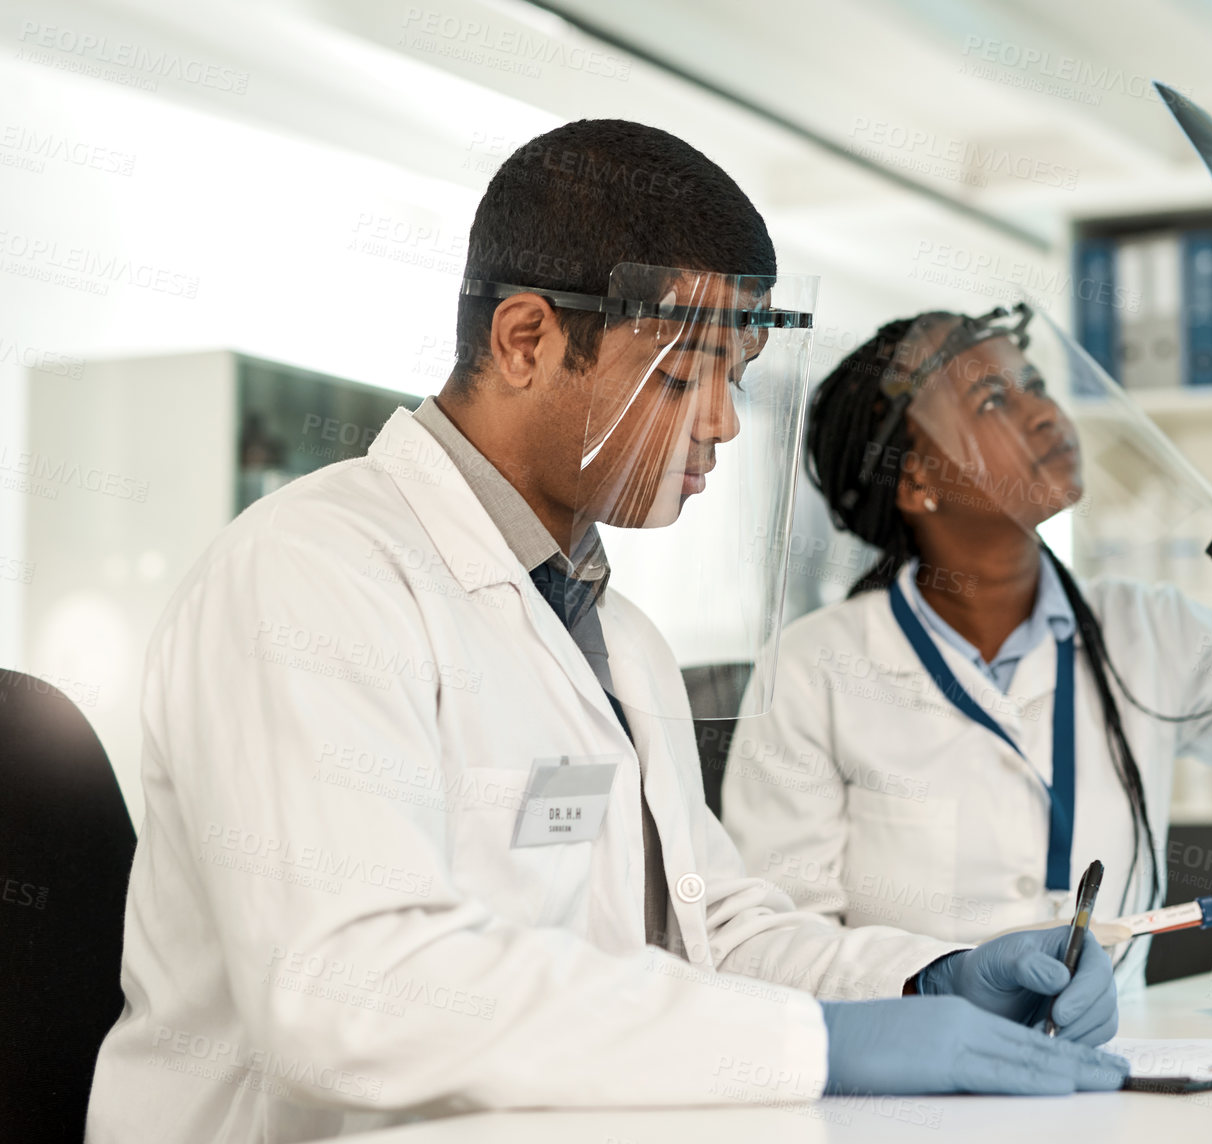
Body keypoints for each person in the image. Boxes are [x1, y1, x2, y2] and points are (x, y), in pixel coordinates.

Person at [85, 121, 1127, 1144]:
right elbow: (355, 991)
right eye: (682, 376)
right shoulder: (312, 577)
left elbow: (706, 926)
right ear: (527, 341)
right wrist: (816, 1042)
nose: (721, 421)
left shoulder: (616, 636)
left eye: (738, 377)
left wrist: (917, 980)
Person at [722, 301, 1212, 986]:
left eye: (1034, 385)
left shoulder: (1150, 631)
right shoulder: (811, 669)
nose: (1043, 414)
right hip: (902, 1089)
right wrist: (935, 991)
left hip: (1113, 1072)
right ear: (915, 479)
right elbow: (777, 945)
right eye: (993, 398)